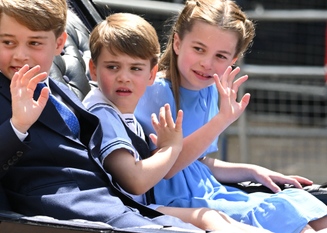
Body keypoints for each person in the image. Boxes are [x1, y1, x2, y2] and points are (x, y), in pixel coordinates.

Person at [0, 0, 208, 231]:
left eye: (35, 42)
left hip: (113, 202)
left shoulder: (56, 86)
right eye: (8, 42)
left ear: (59, 43)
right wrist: (17, 126)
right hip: (65, 214)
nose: (20, 55)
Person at [134, 0, 327, 233]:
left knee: (310, 210)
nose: (207, 63)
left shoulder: (210, 90)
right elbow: (167, 169)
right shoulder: (156, 90)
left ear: (233, 60)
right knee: (291, 220)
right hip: (178, 202)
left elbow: (199, 163)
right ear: (177, 42)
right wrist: (221, 120)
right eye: (198, 49)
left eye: (221, 56)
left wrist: (253, 170)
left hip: (212, 191)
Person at [83, 12, 270, 233]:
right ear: (93, 69)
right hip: (134, 210)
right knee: (215, 218)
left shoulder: (120, 110)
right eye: (113, 67)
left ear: (150, 74)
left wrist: (251, 170)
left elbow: (195, 163)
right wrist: (171, 147)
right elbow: (136, 181)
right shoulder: (103, 113)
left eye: (135, 68)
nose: (124, 77)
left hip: (142, 205)